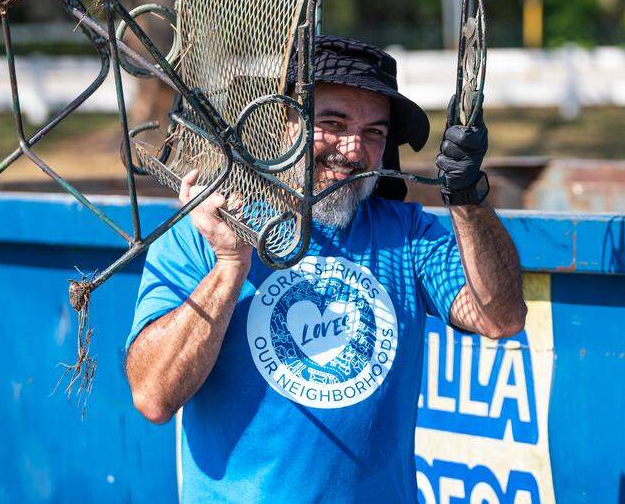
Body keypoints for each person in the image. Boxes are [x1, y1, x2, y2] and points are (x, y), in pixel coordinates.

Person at [125, 35, 527, 503]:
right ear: (281, 125)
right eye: (332, 123)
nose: (353, 149)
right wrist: (230, 266)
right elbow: (153, 396)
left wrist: (466, 197)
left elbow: (500, 317)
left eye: (375, 133)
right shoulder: (206, 228)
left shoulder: (408, 235)